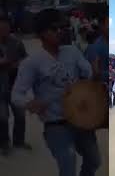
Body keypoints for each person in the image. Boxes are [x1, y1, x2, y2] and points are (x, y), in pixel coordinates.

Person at [11, 9, 101, 176]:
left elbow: (88, 74)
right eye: (54, 28)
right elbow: (16, 95)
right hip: (56, 124)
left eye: (62, 27)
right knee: (68, 162)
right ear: (41, 33)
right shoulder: (32, 63)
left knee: (94, 161)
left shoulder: (72, 52)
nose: (60, 31)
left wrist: (92, 73)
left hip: (81, 119)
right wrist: (31, 103)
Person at [0, 15, 30, 156]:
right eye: (1, 28)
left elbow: (26, 58)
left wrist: (19, 64)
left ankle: (19, 141)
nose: (3, 30)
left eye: (6, 27)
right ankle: (4, 143)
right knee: (2, 117)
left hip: (15, 85)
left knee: (20, 116)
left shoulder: (17, 43)